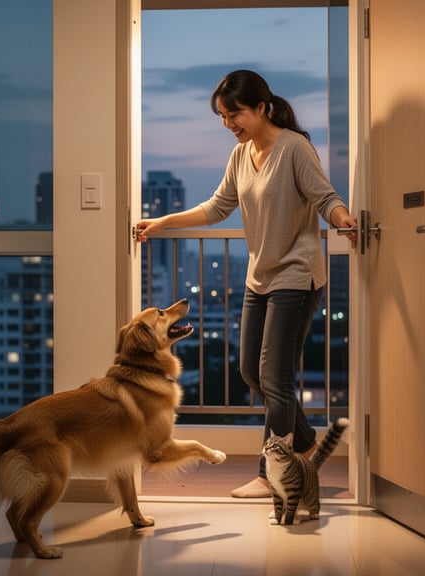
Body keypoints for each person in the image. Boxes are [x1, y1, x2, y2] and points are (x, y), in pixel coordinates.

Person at [135, 69, 359, 498]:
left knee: (275, 376)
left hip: (297, 274)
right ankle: (307, 443)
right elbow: (218, 207)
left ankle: (271, 474)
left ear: (261, 107)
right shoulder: (241, 156)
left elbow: (324, 197)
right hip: (260, 277)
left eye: (234, 114)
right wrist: (163, 222)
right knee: (249, 371)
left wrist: (342, 217)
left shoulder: (295, 148)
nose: (228, 124)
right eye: (222, 116)